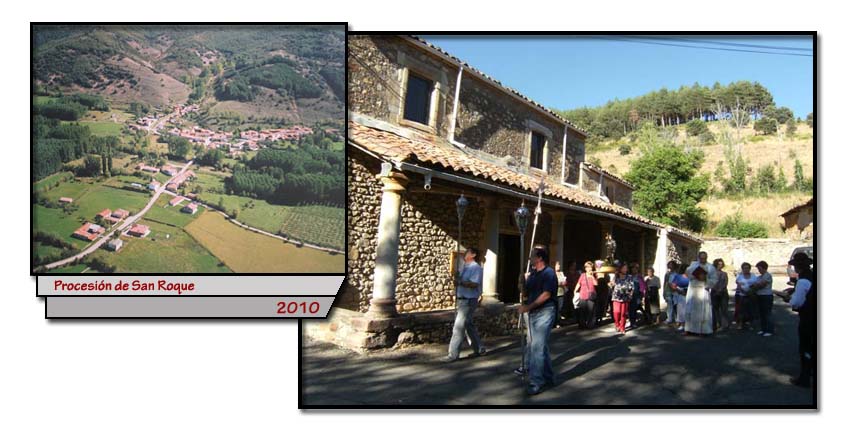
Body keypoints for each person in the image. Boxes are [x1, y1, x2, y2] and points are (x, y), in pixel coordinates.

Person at [518, 247, 558, 395]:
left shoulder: (549, 274)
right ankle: (548, 377)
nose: (530, 259)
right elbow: (526, 292)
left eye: (532, 256)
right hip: (533, 313)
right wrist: (522, 283)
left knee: (537, 347)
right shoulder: (533, 274)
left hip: (545, 312)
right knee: (540, 347)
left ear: (540, 258)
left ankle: (536, 381)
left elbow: (546, 294)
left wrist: (528, 307)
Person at [777, 252, 815, 388]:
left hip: (808, 318)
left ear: (798, 267)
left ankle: (804, 378)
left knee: (805, 347)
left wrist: (788, 298)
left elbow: (797, 302)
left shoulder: (803, 281)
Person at [444, 247, 486, 362]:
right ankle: (479, 348)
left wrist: (461, 282)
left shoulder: (476, 268)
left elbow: (474, 284)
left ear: (473, 255)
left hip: (469, 300)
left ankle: (453, 354)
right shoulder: (463, 267)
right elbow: (459, 283)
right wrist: (457, 279)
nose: (465, 254)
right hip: (461, 299)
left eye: (467, 252)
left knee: (459, 327)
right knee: (468, 324)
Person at [684, 266, 714, 335]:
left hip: (702, 295)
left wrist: (706, 280)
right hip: (693, 296)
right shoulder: (692, 280)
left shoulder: (708, 270)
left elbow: (711, 283)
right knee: (691, 312)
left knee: (703, 313)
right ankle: (690, 329)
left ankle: (703, 330)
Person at [748, 261, 775, 336]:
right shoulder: (759, 277)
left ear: (764, 268)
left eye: (760, 268)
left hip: (766, 296)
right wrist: (755, 285)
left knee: (767, 313)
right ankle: (763, 329)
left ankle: (769, 330)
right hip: (759, 295)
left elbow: (761, 285)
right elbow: (753, 285)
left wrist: (755, 286)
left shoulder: (767, 275)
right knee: (761, 313)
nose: (759, 270)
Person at [610, 263, 635, 334]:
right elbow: (612, 284)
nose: (625, 269)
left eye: (626, 268)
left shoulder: (629, 277)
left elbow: (632, 287)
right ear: (620, 268)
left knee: (623, 313)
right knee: (616, 311)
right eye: (624, 268)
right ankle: (617, 324)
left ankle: (622, 327)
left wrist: (630, 295)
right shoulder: (616, 276)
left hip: (625, 297)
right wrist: (612, 284)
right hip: (616, 296)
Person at [734, 262, 758, 330]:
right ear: (742, 269)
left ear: (750, 269)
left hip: (751, 295)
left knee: (751, 310)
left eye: (747, 268)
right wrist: (743, 291)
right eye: (744, 268)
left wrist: (750, 291)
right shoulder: (739, 276)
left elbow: (755, 284)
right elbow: (738, 285)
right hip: (742, 295)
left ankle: (751, 324)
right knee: (741, 310)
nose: (746, 269)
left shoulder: (753, 275)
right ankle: (740, 324)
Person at [575, 261, 599, 329]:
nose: (589, 268)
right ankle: (582, 325)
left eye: (590, 267)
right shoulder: (582, 275)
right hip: (583, 295)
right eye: (588, 267)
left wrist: (592, 276)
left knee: (590, 311)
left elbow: (596, 284)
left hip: (591, 296)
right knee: (582, 311)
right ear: (585, 268)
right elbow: (579, 283)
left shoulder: (594, 275)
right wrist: (575, 290)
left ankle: (589, 325)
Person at [711, 258, 731, 331]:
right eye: (719, 264)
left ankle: (725, 325)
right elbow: (711, 283)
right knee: (715, 309)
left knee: (724, 309)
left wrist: (720, 290)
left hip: (723, 293)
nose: (720, 265)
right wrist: (716, 289)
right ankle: (716, 324)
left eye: (721, 264)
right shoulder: (712, 274)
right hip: (714, 293)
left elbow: (725, 283)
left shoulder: (724, 274)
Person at [670, 264, 690, 332]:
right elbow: (673, 285)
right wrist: (679, 290)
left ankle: (689, 325)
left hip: (690, 294)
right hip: (681, 294)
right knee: (681, 310)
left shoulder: (691, 277)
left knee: (689, 310)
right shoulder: (678, 277)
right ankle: (682, 324)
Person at [628, 263, 647, 328]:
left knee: (634, 309)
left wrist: (642, 295)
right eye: (633, 269)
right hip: (630, 295)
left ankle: (633, 322)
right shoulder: (629, 277)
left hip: (637, 295)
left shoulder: (639, 277)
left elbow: (642, 286)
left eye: (635, 269)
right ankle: (632, 322)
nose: (634, 270)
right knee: (630, 309)